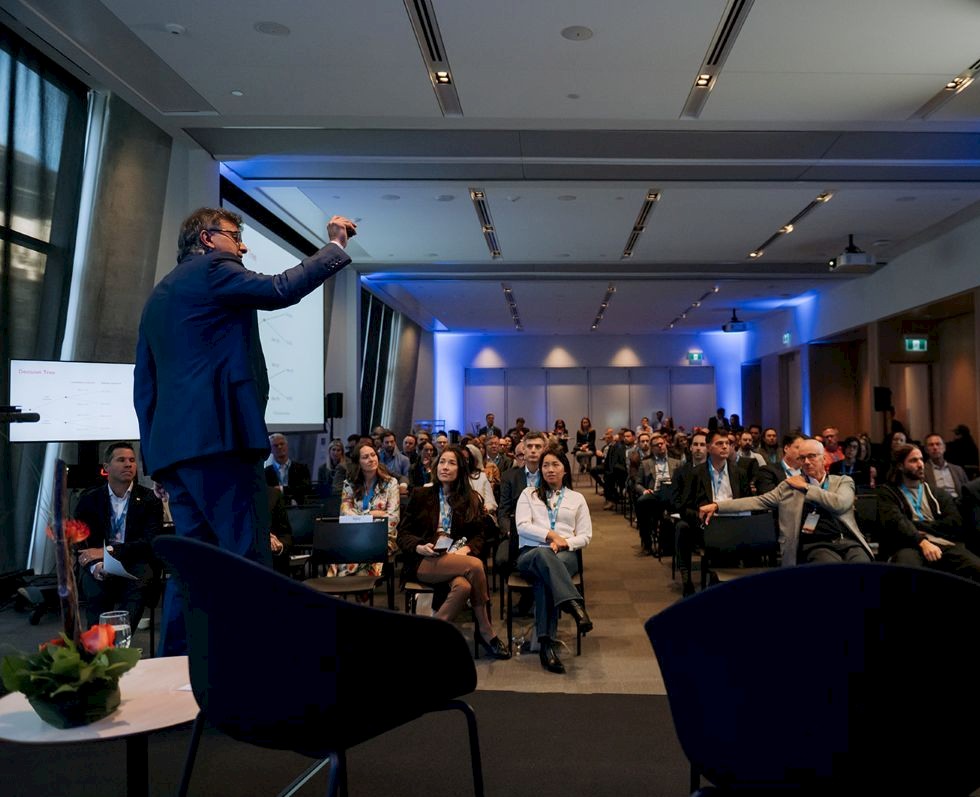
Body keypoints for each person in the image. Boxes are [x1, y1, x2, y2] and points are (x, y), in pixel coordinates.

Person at [134, 208, 355, 655]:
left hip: (175, 455)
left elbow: (145, 385)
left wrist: (155, 458)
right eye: (235, 236)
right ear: (207, 238)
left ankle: (176, 672)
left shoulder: (158, 297)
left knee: (191, 568)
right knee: (247, 558)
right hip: (223, 444)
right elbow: (280, 289)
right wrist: (334, 247)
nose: (243, 245)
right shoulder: (214, 269)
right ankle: (255, 671)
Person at [397, 446, 509, 659]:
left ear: (461, 469)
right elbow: (403, 534)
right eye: (442, 462)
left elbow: (479, 535)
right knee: (476, 565)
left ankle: (432, 634)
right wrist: (419, 546)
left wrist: (467, 549)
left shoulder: (470, 498)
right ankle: (486, 631)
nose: (445, 467)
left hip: (456, 557)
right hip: (424, 559)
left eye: (451, 463)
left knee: (463, 586)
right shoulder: (421, 495)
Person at [700, 439, 874, 566]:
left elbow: (840, 504)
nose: (806, 462)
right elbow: (758, 501)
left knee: (863, 566)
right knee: (831, 567)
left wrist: (807, 487)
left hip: (847, 541)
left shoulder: (842, 481)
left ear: (824, 459)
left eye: (812, 456)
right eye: (802, 458)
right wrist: (718, 505)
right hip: (815, 544)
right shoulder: (790, 487)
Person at [514, 448, 593, 674]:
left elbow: (585, 536)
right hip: (531, 553)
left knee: (545, 579)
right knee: (543, 555)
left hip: (565, 554)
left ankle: (546, 645)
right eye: (545, 465)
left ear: (565, 469)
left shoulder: (577, 498)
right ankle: (574, 605)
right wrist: (551, 536)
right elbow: (522, 526)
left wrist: (564, 543)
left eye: (555, 465)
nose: (550, 469)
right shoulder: (528, 494)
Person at [73, 442, 163, 629]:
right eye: (121, 460)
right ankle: (98, 642)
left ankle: (120, 639)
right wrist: (96, 565)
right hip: (99, 563)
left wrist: (108, 550)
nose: (128, 464)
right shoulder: (90, 499)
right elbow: (81, 544)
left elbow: (150, 543)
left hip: (135, 560)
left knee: (139, 583)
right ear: (106, 467)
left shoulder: (150, 499)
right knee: (95, 588)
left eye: (132, 460)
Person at [877, 444, 980, 581]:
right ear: (900, 466)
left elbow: (954, 523)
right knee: (909, 570)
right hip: (907, 545)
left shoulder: (937, 493)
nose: (920, 464)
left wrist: (916, 525)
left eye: (921, 459)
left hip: (942, 544)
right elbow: (897, 523)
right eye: (913, 460)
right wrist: (922, 541)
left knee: (976, 567)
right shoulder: (887, 492)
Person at [332, 442, 400, 578]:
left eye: (373, 455)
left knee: (361, 552)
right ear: (358, 462)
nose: (371, 459)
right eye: (365, 457)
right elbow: (345, 514)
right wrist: (371, 515)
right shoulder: (349, 484)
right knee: (345, 550)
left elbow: (393, 517)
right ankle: (346, 583)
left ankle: (350, 582)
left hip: (382, 536)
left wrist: (360, 517)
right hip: (354, 534)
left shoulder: (390, 483)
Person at [265, 433, 311, 505]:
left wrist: (281, 489)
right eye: (275, 445)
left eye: (282, 444)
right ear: (270, 450)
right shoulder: (266, 472)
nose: (279, 447)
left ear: (287, 446)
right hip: (275, 508)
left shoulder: (301, 469)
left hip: (298, 508)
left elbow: (305, 489)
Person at [923, 433, 968, 501]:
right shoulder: (923, 470)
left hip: (958, 503)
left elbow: (967, 490)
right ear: (926, 450)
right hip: (938, 504)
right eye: (931, 445)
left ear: (944, 448)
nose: (935, 447)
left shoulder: (958, 470)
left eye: (938, 444)